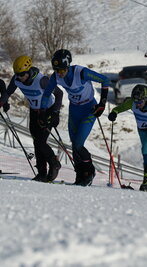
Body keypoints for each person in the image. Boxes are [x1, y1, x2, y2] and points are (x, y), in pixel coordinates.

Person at [40, 49, 110, 186]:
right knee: (74, 146)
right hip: (74, 110)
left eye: (62, 70)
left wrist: (102, 104)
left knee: (79, 144)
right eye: (57, 70)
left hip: (89, 109)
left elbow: (105, 80)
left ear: (68, 66)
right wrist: (42, 112)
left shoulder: (81, 73)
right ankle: (80, 175)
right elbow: (47, 94)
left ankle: (89, 172)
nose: (60, 74)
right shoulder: (56, 76)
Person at [0, 55, 63, 182]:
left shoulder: (42, 80)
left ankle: (54, 163)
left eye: (22, 74)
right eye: (17, 74)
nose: (20, 77)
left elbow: (59, 94)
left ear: (29, 71)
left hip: (47, 111)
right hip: (34, 111)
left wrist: (55, 113)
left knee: (40, 142)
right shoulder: (17, 79)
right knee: (36, 142)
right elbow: (7, 93)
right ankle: (42, 173)